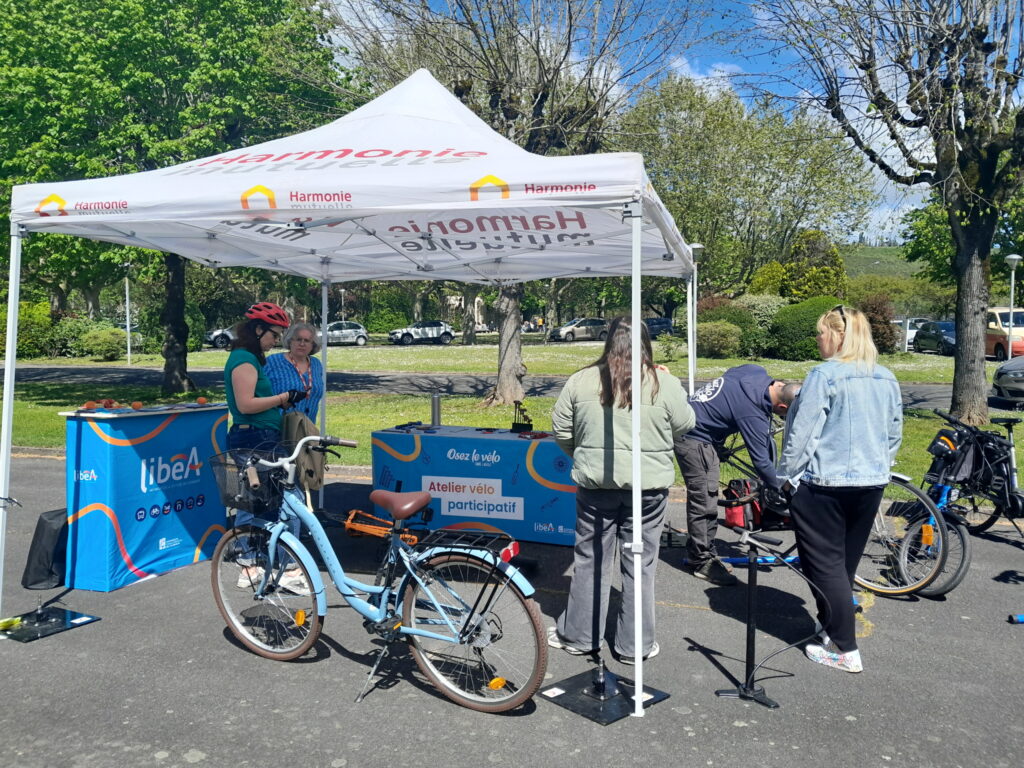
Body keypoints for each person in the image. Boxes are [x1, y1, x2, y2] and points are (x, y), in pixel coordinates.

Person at [548, 316, 695, 663]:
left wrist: (586, 458)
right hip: (647, 490)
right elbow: (686, 424)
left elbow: (562, 431)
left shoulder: (581, 380)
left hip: (597, 487)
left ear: (608, 341)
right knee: (640, 565)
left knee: (590, 561)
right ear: (646, 343)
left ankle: (581, 636)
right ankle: (635, 645)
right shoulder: (662, 382)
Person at [778, 305, 902, 673]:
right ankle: (833, 629)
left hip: (824, 483)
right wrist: (880, 463)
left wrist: (785, 475)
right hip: (872, 482)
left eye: (820, 333)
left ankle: (845, 648)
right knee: (843, 564)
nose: (817, 339)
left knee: (823, 565)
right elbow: (894, 432)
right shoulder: (885, 377)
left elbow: (803, 432)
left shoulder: (824, 375)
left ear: (837, 335)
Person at [675, 365, 799, 585]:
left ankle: (702, 551)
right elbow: (761, 461)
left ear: (779, 384)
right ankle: (700, 561)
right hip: (693, 437)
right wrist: (780, 487)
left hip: (697, 420)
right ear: (780, 406)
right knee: (704, 500)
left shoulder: (755, 372)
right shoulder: (753, 413)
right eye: (783, 413)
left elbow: (730, 377)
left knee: (706, 496)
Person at [223, 301, 307, 591]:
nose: (276, 341)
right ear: (257, 330)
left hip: (260, 436)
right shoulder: (244, 359)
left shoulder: (249, 358)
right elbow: (246, 404)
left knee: (265, 499)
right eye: (274, 334)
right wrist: (284, 397)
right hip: (255, 437)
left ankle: (260, 563)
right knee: (286, 499)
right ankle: (274, 566)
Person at [265, 322, 325, 422]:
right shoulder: (273, 362)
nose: (302, 344)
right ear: (290, 341)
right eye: (298, 339)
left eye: (307, 340)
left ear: (313, 345)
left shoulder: (316, 364)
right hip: (277, 428)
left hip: (306, 429)